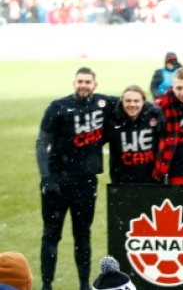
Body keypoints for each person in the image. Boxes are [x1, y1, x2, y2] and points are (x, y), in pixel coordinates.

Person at [36, 67, 118, 290]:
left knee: (83, 236)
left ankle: (83, 285)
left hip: (85, 182)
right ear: (74, 83)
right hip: (58, 183)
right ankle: (46, 285)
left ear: (95, 85)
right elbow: (42, 143)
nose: (84, 85)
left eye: (88, 82)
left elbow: (133, 102)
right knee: (51, 236)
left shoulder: (105, 103)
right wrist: (47, 178)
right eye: (80, 81)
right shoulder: (58, 107)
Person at [106, 85, 164, 184]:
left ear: (143, 101)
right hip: (123, 182)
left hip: (152, 181)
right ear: (122, 101)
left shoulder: (154, 117)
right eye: (128, 101)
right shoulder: (113, 120)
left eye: (136, 101)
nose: (132, 104)